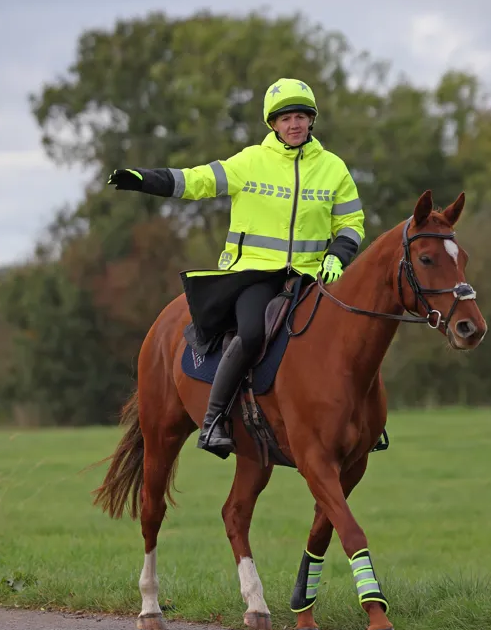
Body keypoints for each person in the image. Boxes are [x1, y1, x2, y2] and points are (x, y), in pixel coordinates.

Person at [107, 77, 365, 459]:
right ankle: (214, 420)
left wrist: (336, 256)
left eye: (301, 116)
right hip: (255, 276)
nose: (294, 124)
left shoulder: (334, 169)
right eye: (285, 118)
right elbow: (197, 181)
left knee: (353, 337)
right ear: (273, 124)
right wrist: (146, 180)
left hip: (311, 277)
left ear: (312, 121)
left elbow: (351, 224)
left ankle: (365, 424)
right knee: (250, 332)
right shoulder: (249, 162)